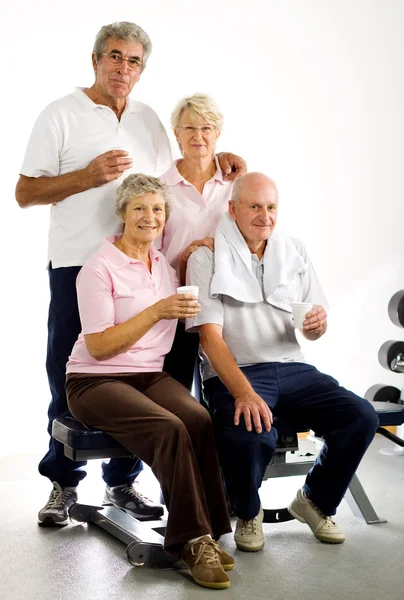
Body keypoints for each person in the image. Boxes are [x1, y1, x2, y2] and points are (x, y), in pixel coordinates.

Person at [15, 21, 246, 527]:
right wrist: (87, 177)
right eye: (115, 57)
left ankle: (122, 482)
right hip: (80, 262)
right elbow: (25, 192)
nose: (124, 68)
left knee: (148, 375)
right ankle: (62, 484)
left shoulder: (146, 120)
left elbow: (174, 178)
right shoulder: (60, 114)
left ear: (143, 70)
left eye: (134, 61)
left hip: (145, 264)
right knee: (72, 375)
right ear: (96, 59)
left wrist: (220, 156)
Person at [185, 172, 379, 552]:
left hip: (294, 368)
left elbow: (311, 329)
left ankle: (313, 501)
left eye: (271, 207)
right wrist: (243, 392)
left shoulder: (294, 250)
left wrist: (317, 326)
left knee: (360, 417)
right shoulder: (206, 256)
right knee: (248, 435)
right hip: (238, 373)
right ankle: (247, 512)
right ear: (233, 209)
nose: (265, 215)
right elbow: (208, 337)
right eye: (254, 206)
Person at [66, 173, 234, 589]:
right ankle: (191, 541)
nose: (149, 216)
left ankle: (210, 531)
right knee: (168, 427)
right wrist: (157, 311)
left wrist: (194, 256)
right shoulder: (98, 267)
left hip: (147, 375)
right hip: (94, 380)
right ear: (122, 213)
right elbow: (101, 347)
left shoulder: (160, 263)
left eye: (157, 208)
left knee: (197, 418)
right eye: (139, 207)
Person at [159, 93, 234, 390]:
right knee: (175, 393)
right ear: (176, 133)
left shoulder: (235, 184)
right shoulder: (160, 187)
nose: (198, 136)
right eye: (189, 128)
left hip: (225, 305)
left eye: (206, 128)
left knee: (223, 396)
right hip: (176, 303)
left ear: (217, 133)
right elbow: (149, 253)